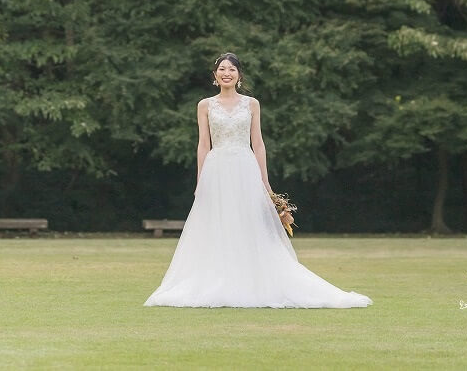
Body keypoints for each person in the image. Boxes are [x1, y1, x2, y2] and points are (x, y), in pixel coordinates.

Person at [145, 52, 371, 308]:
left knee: (248, 223)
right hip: (217, 169)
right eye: (222, 69)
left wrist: (265, 183)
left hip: (244, 167)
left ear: (239, 75)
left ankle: (252, 280)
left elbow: (259, 144)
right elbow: (203, 145)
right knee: (218, 224)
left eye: (231, 69)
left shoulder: (251, 104)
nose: (226, 73)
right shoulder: (205, 105)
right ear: (215, 75)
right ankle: (220, 280)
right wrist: (200, 180)